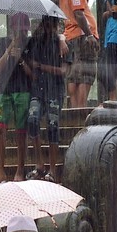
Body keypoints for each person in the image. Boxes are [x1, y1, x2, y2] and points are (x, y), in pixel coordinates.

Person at [24, 14, 68, 181]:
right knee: (32, 121)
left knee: (52, 126)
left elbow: (63, 71)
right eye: (45, 24)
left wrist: (42, 66)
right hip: (38, 91)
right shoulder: (36, 42)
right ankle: (39, 164)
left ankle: (52, 168)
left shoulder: (62, 44)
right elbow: (26, 55)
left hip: (55, 92)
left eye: (51, 24)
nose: (48, 27)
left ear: (56, 25)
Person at [0, 11, 33, 183]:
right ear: (12, 28)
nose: (21, 33)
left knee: (21, 131)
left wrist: (21, 59)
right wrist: (9, 50)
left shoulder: (31, 44)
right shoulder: (2, 42)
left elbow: (33, 74)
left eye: (24, 30)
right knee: (0, 129)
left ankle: (20, 170)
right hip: (4, 92)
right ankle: (0, 171)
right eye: (18, 29)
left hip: (23, 90)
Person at [59, 0, 99, 112]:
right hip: (82, 38)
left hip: (70, 38)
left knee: (73, 76)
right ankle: (81, 111)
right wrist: (89, 35)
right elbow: (78, 14)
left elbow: (74, 12)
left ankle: (75, 112)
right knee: (85, 75)